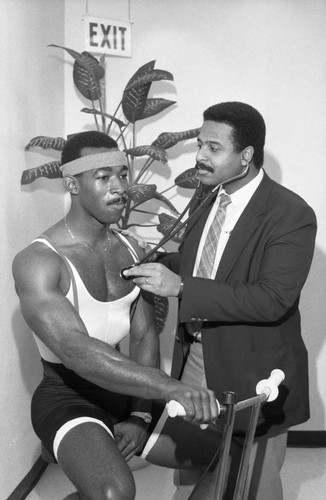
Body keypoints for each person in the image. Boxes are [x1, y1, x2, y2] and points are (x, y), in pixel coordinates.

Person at [123, 102, 317, 499]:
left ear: (245, 156)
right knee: (197, 467)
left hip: (251, 366)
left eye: (213, 148)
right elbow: (208, 266)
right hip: (195, 355)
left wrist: (180, 288)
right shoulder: (208, 196)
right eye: (199, 144)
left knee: (253, 481)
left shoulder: (291, 214)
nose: (199, 156)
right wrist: (159, 261)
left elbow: (272, 298)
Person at [12, 131, 220, 500]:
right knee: (113, 492)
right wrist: (169, 387)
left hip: (130, 392)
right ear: (72, 185)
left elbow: (143, 337)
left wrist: (141, 415)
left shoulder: (130, 248)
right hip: (69, 397)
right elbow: (76, 350)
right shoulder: (40, 261)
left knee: (226, 455)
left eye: (122, 175)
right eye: (103, 177)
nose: (120, 187)